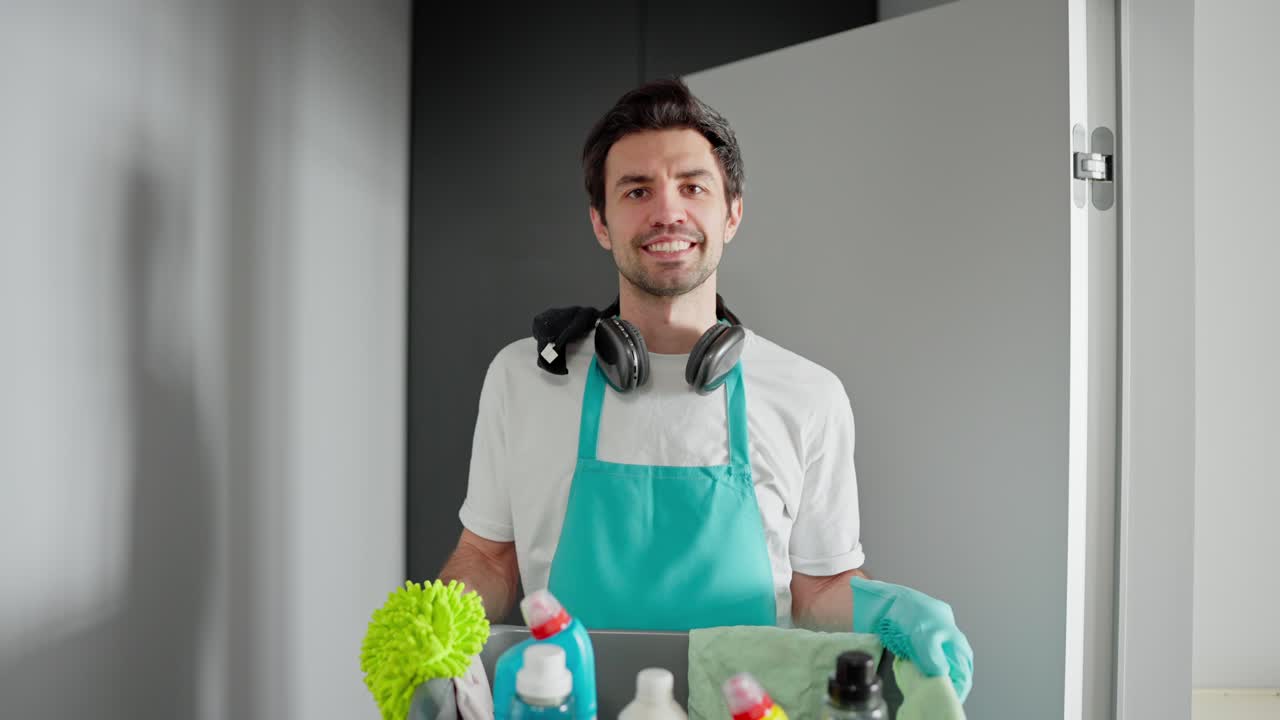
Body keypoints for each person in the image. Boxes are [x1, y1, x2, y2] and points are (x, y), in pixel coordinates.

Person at [438, 78, 971, 700]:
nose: (668, 211)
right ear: (600, 223)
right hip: (564, 708)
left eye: (692, 186)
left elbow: (817, 588)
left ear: (732, 212)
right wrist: (435, 629)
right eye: (637, 190)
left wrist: (889, 611)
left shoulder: (808, 395)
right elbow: (491, 558)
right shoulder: (523, 377)